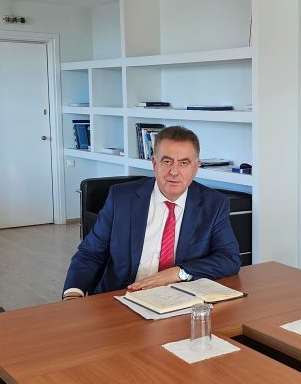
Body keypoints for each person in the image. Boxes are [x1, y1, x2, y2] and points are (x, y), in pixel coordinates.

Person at [63, 126, 241, 299]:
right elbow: (90, 253)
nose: (174, 171)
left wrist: (179, 272)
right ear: (155, 163)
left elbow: (229, 259)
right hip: (122, 296)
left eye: (184, 163)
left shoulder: (214, 204)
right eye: (167, 161)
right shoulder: (121, 198)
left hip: (179, 299)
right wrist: (73, 295)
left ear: (195, 167)